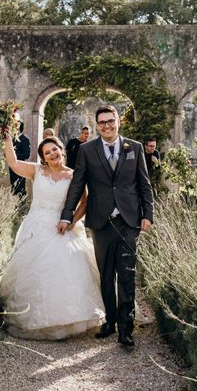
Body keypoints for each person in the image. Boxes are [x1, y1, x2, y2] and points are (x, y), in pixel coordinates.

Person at [58, 105, 153, 348]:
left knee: (127, 275)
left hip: (129, 221)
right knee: (106, 275)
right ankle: (110, 321)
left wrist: (148, 215)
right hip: (100, 222)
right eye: (102, 123)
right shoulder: (87, 150)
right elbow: (77, 185)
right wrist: (67, 215)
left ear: (118, 122)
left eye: (110, 121)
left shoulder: (136, 147)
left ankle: (126, 329)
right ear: (96, 124)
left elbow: (144, 185)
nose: (106, 126)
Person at [0, 131, 104, 339]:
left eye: (54, 149)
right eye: (47, 152)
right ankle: (33, 318)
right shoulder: (36, 171)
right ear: (43, 157)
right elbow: (12, 162)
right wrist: (8, 139)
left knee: (66, 268)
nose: (52, 154)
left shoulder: (74, 174)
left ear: (61, 150)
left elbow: (85, 201)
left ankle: (67, 318)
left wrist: (73, 221)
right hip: (36, 226)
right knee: (33, 269)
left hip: (61, 226)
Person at [9, 121, 30, 197]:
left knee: (20, 187)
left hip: (21, 167)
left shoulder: (25, 139)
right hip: (12, 167)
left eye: (16, 126)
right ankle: (13, 206)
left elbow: (26, 155)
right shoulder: (11, 139)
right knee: (13, 187)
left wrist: (14, 156)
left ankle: (21, 206)